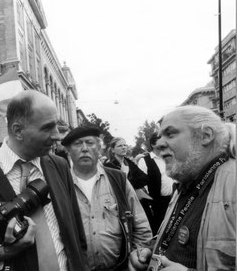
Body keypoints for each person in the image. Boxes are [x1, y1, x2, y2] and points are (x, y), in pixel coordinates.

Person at [0, 90, 88, 271]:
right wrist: (3, 252)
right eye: (47, 128)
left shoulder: (59, 165)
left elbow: (76, 232)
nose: (57, 136)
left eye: (57, 126)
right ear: (18, 131)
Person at [129, 106, 236, 271]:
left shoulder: (233, 185)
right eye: (159, 137)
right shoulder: (186, 182)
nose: (159, 144)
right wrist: (151, 250)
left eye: (170, 134)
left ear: (205, 135)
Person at [62, 126, 152, 271]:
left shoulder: (118, 179)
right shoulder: (60, 184)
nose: (84, 149)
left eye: (90, 143)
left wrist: (137, 254)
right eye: (78, 144)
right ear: (68, 150)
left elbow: (140, 223)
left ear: (99, 149)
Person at [138, 133, 173, 233]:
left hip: (170, 201)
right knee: (158, 231)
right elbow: (142, 186)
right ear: (153, 144)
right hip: (156, 205)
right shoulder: (144, 161)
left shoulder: (168, 158)